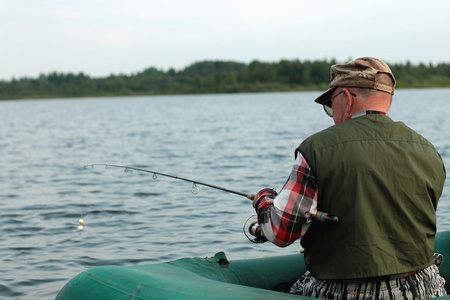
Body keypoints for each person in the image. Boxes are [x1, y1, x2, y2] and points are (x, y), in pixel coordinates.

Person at [252, 57, 447, 299]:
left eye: (331, 106)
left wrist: (264, 202)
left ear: (347, 97)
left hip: (346, 291)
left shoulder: (316, 148)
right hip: (423, 286)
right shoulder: (429, 150)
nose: (332, 115)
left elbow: (279, 232)